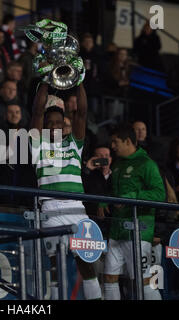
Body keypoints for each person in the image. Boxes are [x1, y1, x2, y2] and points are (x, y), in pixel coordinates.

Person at [30, 81, 102, 300]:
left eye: (58, 123)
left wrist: (79, 81)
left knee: (87, 264)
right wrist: (44, 82)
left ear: (64, 125)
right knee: (55, 268)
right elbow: (36, 112)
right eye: (49, 123)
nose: (53, 127)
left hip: (77, 210)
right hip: (50, 210)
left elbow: (82, 112)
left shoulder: (74, 145)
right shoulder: (37, 145)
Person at [103, 123, 165, 300]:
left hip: (138, 232)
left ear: (128, 141)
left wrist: (132, 197)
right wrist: (103, 202)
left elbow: (160, 194)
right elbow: (113, 192)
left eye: (115, 142)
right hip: (116, 231)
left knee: (143, 281)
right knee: (109, 278)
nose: (112, 146)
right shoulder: (117, 164)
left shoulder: (147, 164)